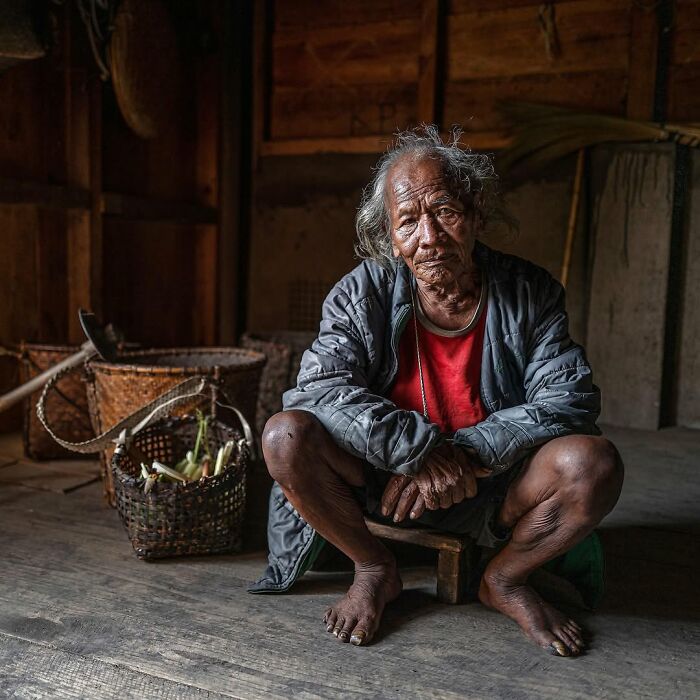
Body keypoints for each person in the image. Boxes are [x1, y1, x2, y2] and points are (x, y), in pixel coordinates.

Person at [251, 126, 624, 657]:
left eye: (444, 211)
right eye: (407, 221)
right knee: (284, 436)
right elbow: (320, 389)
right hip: (383, 482)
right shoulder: (360, 293)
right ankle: (374, 565)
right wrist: (416, 453)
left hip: (493, 484)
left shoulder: (530, 291)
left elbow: (569, 400)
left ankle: (505, 578)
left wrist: (466, 454)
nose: (429, 236)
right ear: (390, 237)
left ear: (474, 213)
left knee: (594, 464)